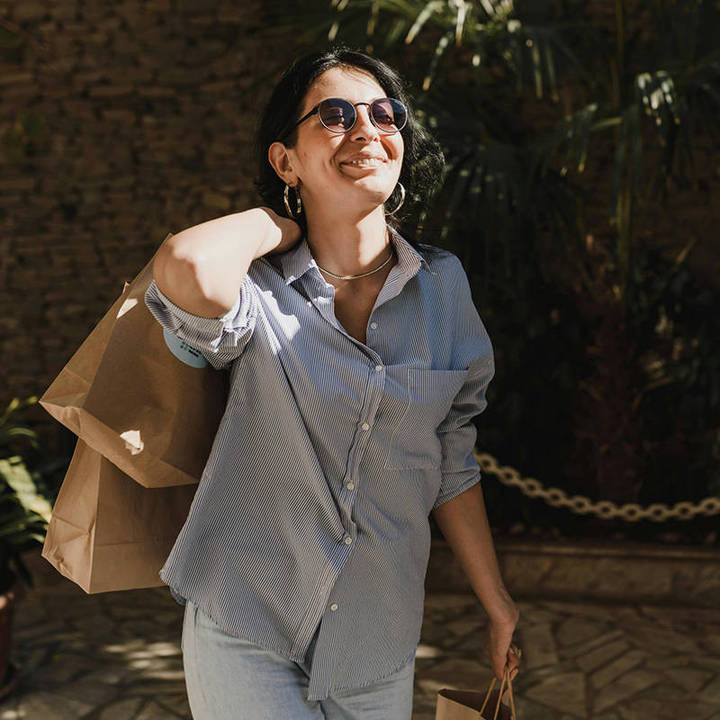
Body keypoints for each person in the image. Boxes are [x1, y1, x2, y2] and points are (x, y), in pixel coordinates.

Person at [144, 46, 521, 720]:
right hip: (247, 617)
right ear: (285, 159)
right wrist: (278, 222)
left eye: (385, 114)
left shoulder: (444, 289)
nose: (367, 129)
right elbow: (185, 265)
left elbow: (451, 459)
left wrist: (497, 605)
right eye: (336, 115)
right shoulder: (254, 289)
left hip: (376, 638)